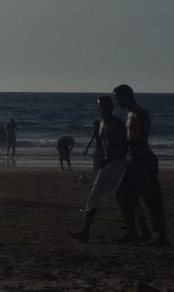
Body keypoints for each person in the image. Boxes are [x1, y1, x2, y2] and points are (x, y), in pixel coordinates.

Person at [71, 95, 131, 243]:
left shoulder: (117, 124)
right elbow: (103, 145)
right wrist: (101, 159)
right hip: (106, 164)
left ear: (111, 107)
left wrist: (107, 160)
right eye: (100, 105)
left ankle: (135, 231)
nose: (102, 108)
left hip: (117, 164)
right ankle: (85, 231)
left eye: (104, 105)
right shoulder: (102, 123)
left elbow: (124, 148)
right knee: (95, 196)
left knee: (121, 197)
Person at [114, 84, 167, 245]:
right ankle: (135, 232)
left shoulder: (140, 113)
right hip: (133, 160)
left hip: (143, 160)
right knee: (123, 195)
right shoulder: (131, 114)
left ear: (125, 97)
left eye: (118, 98)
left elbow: (141, 138)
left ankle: (160, 235)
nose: (117, 102)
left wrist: (123, 143)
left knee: (151, 199)